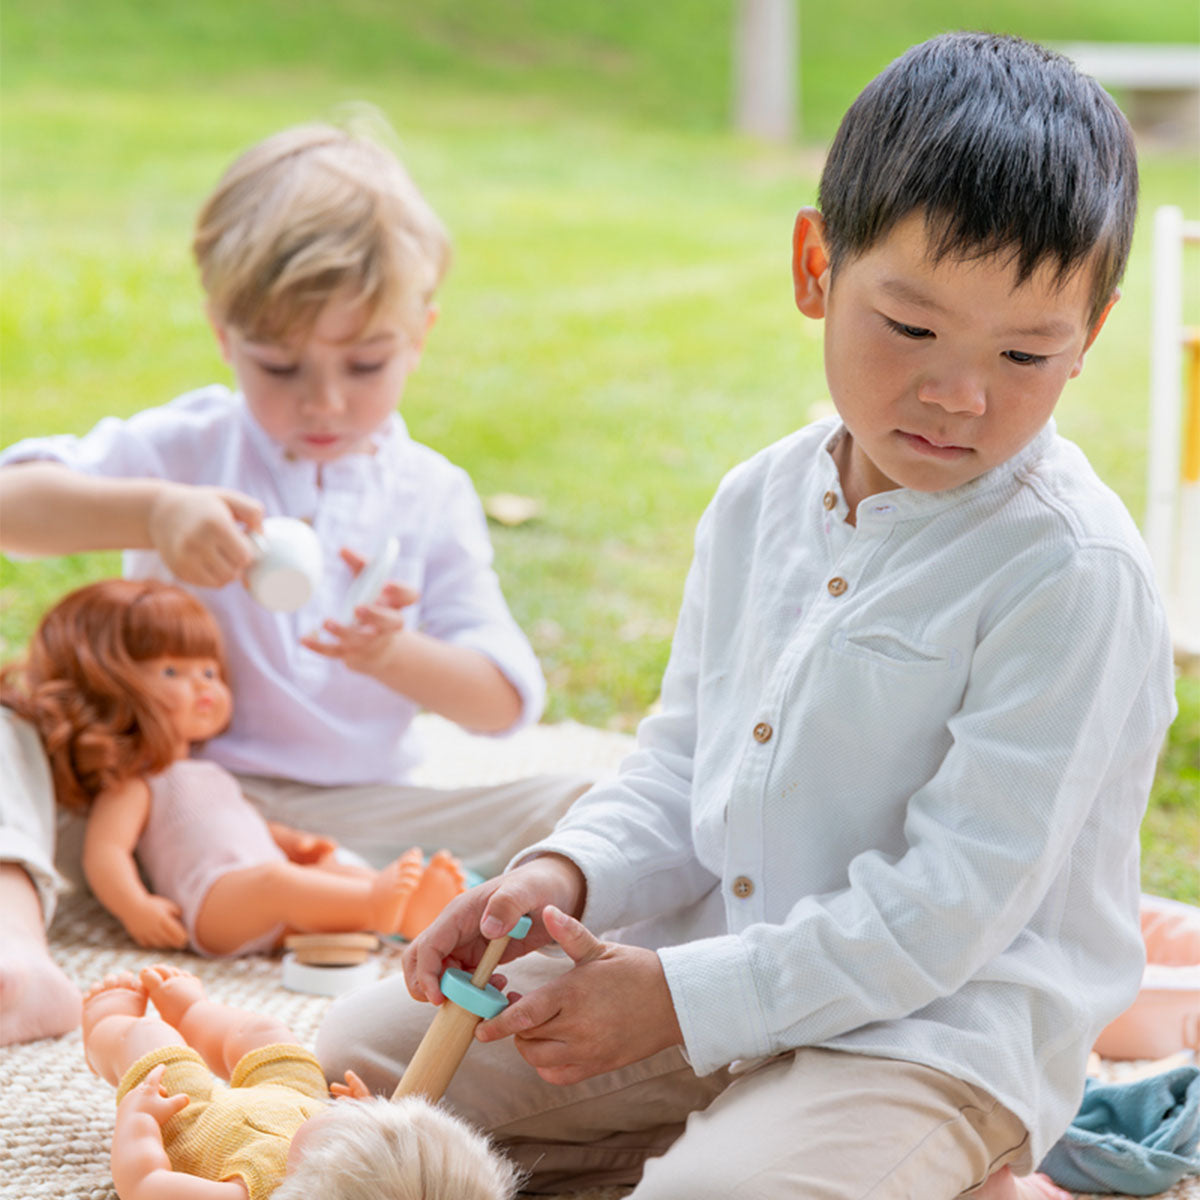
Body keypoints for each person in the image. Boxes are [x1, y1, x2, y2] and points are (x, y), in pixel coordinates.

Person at [315, 33, 1178, 1200]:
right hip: (713, 971)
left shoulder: (1074, 575)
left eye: (1025, 351)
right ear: (816, 265)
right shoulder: (758, 502)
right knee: (363, 1062)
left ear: (1089, 341)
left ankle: (955, 1168)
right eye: (913, 328)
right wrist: (565, 875)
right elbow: (681, 762)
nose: (959, 392)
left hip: (933, 1034)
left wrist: (671, 1003)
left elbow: (947, 914)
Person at [0, 115, 591, 1041]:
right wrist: (150, 512)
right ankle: (15, 952)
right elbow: (11, 506)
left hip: (350, 814)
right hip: (159, 790)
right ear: (224, 334)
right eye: (279, 365)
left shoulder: (430, 493)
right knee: (7, 726)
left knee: (584, 806)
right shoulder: (188, 447)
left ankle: (347, 900)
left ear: (421, 334)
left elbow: (501, 701)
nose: (322, 400)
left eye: (364, 364)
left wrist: (393, 654)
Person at [1, 578, 467, 956]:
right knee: (279, 884)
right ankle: (380, 904)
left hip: (257, 886)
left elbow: (238, 821)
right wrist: (135, 907)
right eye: (171, 672)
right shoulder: (134, 783)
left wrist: (290, 841)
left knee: (328, 871)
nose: (203, 686)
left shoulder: (208, 771)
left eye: (209, 672)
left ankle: (412, 913)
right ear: (108, 688)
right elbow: (105, 854)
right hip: (211, 903)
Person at [81, 963, 520, 1199]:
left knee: (148, 1041)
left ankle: (103, 1027)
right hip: (291, 1099)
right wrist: (369, 1113)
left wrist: (136, 1124)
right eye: (380, 1116)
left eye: (357, 1121)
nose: (360, 1112)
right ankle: (195, 1013)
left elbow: (144, 1186)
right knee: (268, 1038)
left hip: (193, 1116)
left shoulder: (244, 1194)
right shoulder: (341, 1159)